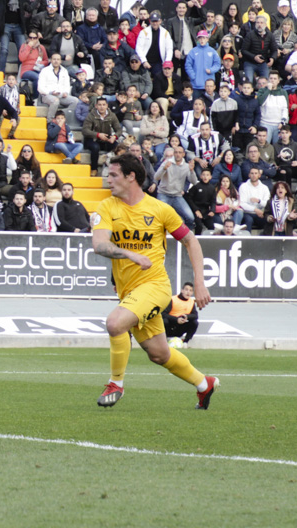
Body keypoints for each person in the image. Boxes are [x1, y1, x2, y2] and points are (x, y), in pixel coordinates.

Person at [92, 153, 216, 408]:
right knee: (159, 354)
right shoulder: (107, 207)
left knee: (115, 324)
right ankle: (205, 384)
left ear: (131, 177)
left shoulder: (160, 209)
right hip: (130, 293)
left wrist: (199, 283)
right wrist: (129, 254)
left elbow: (190, 240)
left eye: (114, 175)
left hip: (155, 287)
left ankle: (116, 383)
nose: (108, 179)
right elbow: (99, 244)